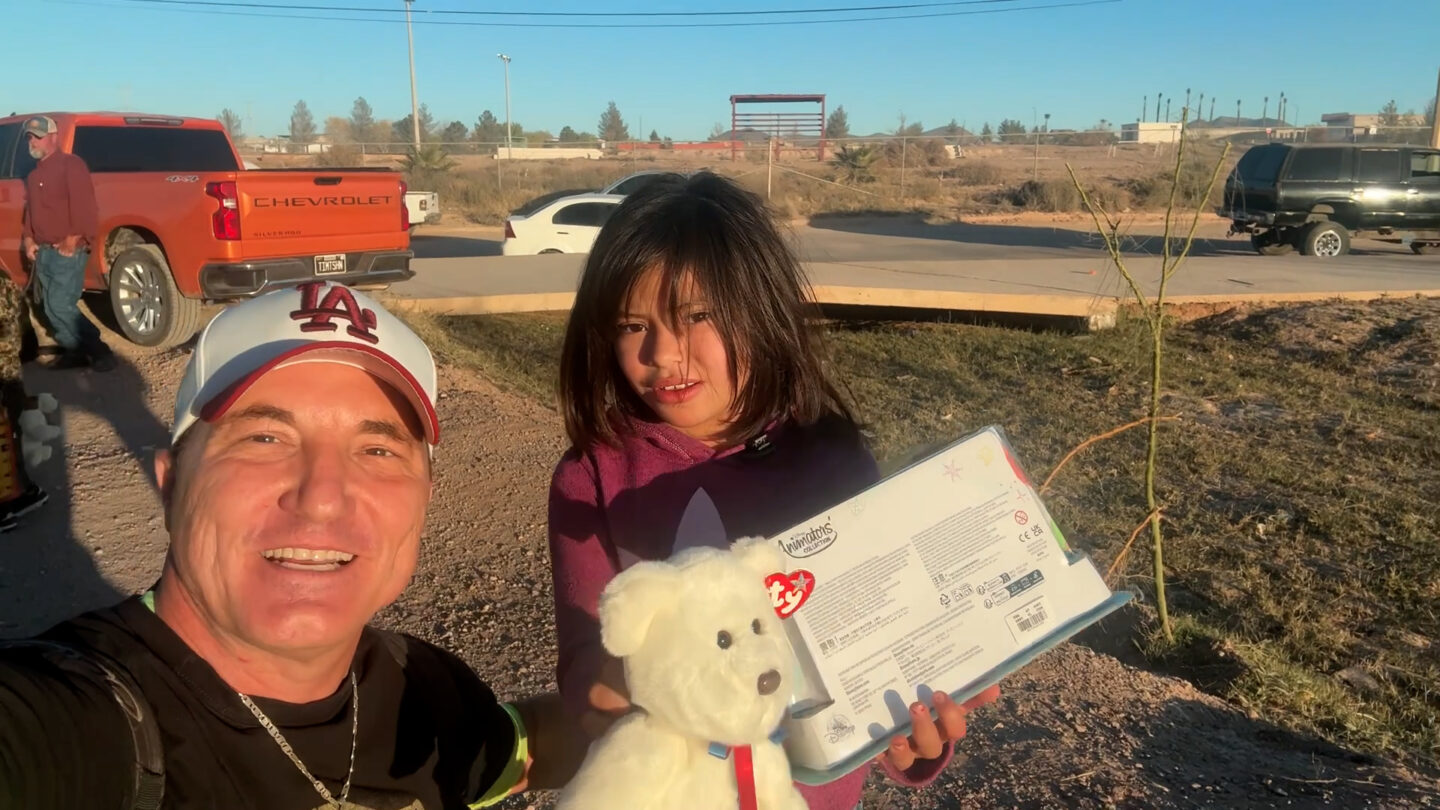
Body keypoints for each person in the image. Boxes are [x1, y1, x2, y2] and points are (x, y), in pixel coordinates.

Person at [0, 281, 585, 808]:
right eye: (265, 436)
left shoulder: (424, 692)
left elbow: (520, 750)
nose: (323, 497)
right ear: (172, 481)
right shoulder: (72, 721)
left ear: (424, 500)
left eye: (378, 450)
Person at [547, 172, 1000, 810]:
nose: (664, 353)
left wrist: (915, 736)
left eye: (698, 315)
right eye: (630, 325)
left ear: (761, 309)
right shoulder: (589, 478)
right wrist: (666, 667)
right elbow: (585, 687)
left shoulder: (834, 465)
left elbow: (883, 651)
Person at [19, 115, 116, 372]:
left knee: (60, 304)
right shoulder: (33, 175)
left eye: (37, 136)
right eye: (29, 136)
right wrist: (29, 239)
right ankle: (75, 352)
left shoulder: (71, 165)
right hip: (44, 252)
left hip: (67, 250)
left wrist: (72, 240)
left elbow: (85, 207)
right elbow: (32, 211)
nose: (32, 141)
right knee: (49, 306)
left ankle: (99, 350)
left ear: (54, 137)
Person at [0, 261, 48, 533]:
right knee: (10, 436)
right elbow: (23, 324)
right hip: (10, 373)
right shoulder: (4, 279)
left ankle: (5, 506)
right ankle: (23, 492)